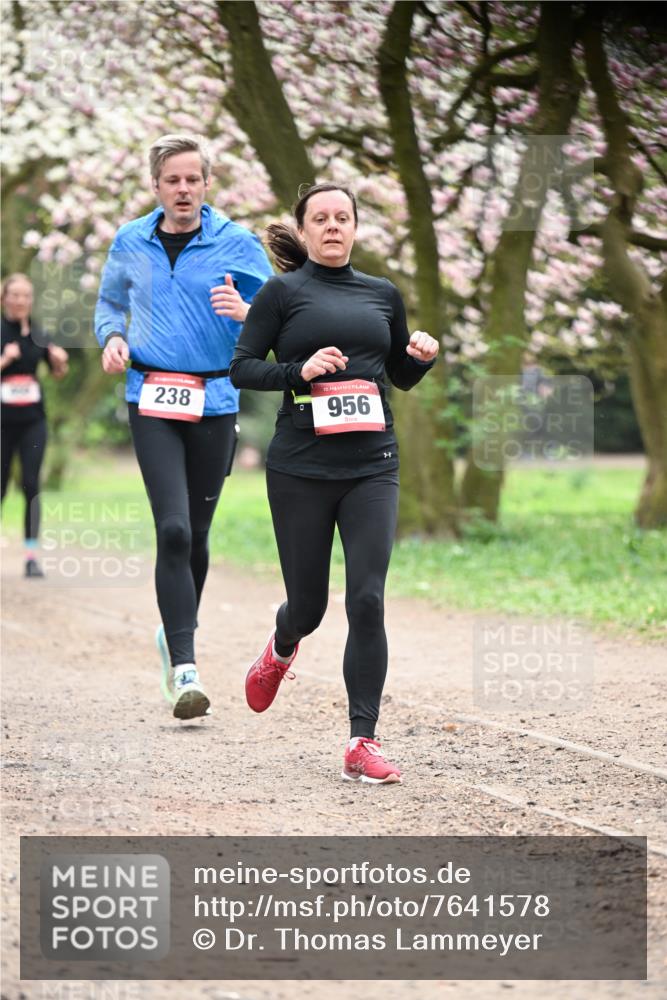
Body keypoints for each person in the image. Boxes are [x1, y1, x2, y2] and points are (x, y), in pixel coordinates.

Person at [230, 183, 439, 784]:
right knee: (311, 606)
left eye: (342, 218)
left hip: (374, 463)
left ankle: (361, 740)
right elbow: (242, 366)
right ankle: (282, 643)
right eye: (319, 219)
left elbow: (396, 374)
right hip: (300, 467)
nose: (332, 227)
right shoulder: (281, 293)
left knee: (368, 599)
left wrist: (419, 357)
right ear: (302, 230)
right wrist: (302, 369)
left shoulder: (382, 294)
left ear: (355, 227)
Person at [95, 134, 273, 721]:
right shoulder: (130, 240)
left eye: (193, 179)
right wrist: (113, 337)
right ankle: (184, 666)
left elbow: (280, 305)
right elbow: (107, 304)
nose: (183, 189)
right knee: (171, 530)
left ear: (206, 184)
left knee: (196, 533)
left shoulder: (236, 242)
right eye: (173, 179)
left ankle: (173, 637)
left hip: (215, 398)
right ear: (156, 185)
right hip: (150, 396)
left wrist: (248, 313)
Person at [1, 273, 69, 577]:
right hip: (2, 422)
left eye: (25, 295)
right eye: (14, 295)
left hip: (33, 420)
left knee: (32, 484)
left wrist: (59, 361)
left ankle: (30, 556)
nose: (20, 301)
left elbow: (57, 374)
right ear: (4, 298)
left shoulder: (39, 333)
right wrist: (4, 359)